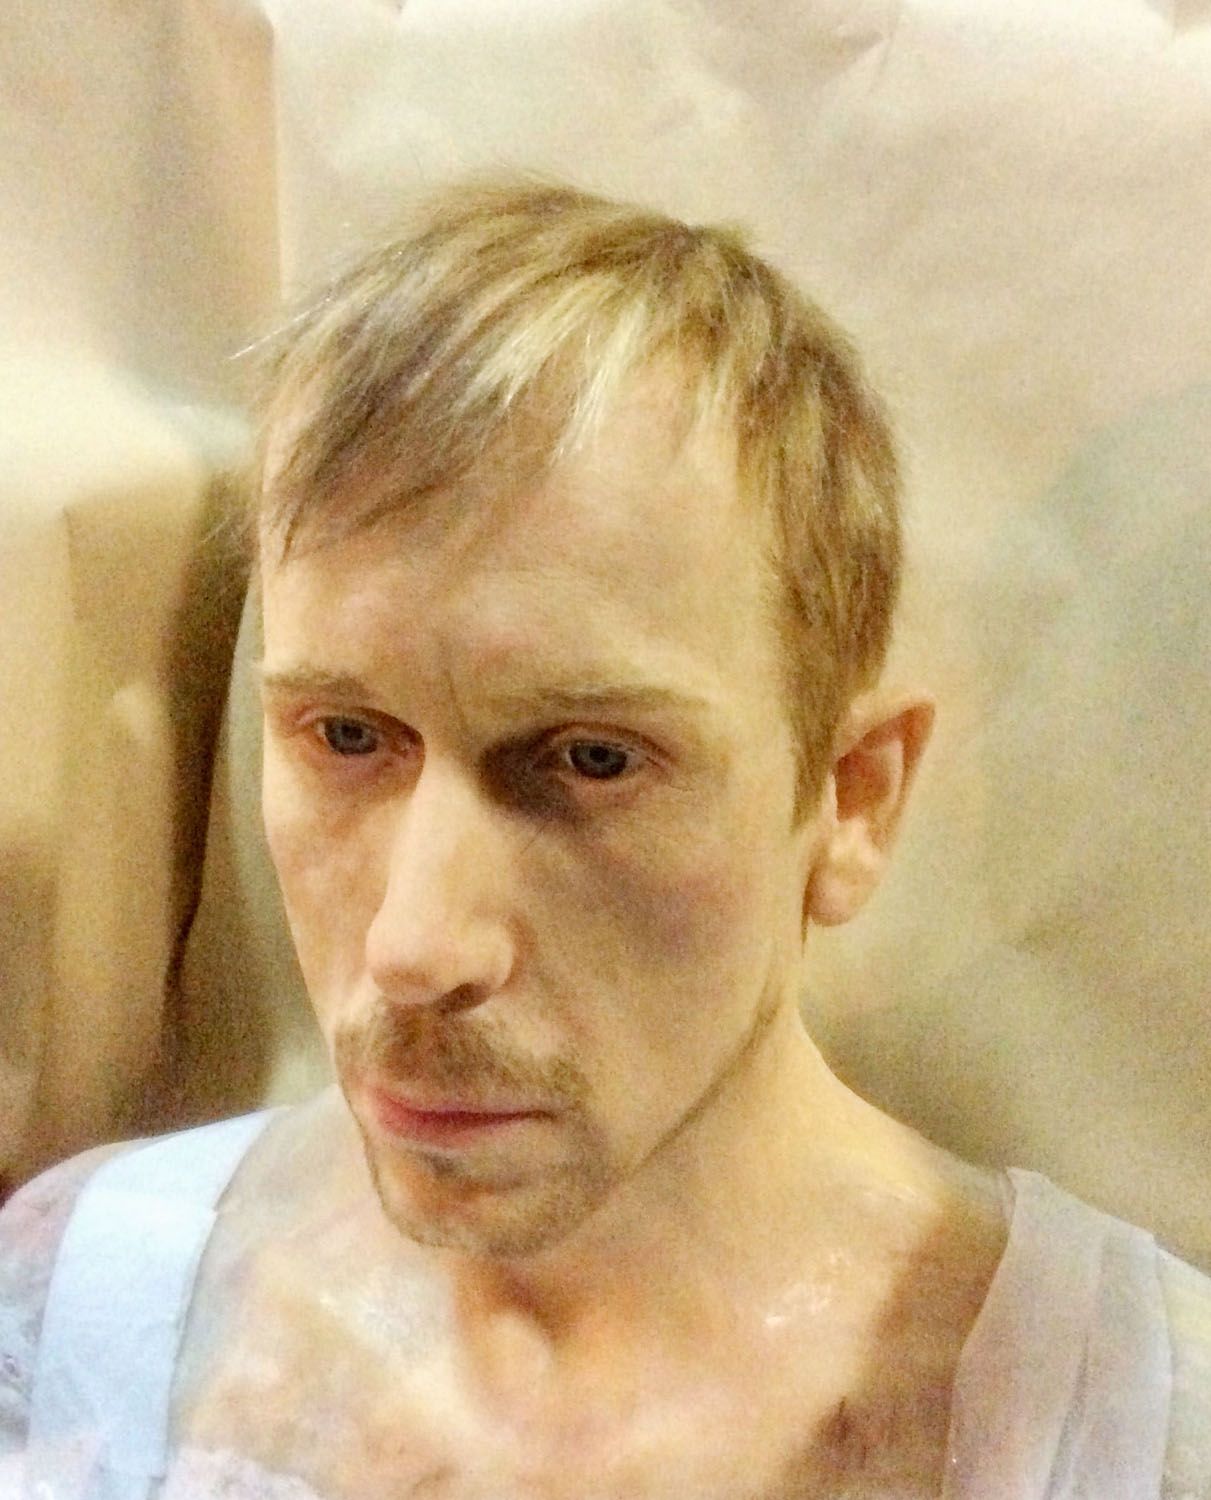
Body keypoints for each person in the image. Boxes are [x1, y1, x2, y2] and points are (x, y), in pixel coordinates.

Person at [1, 176, 1208, 1500]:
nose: (415, 948)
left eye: (592, 760)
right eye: (346, 736)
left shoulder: (1136, 1433)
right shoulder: (84, 1329)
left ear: (852, 797)